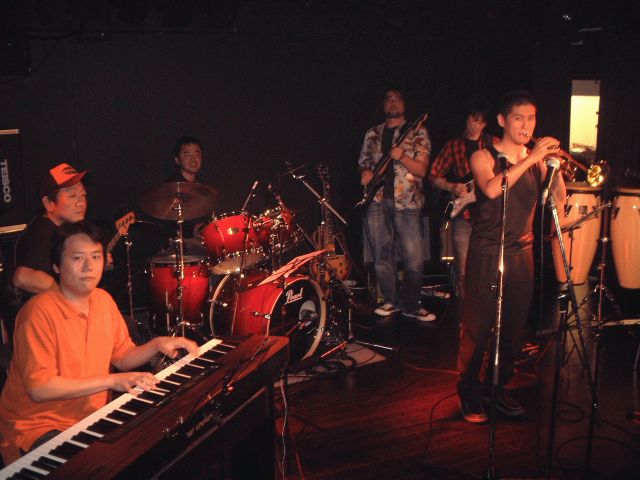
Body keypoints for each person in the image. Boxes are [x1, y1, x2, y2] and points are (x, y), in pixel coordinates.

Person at [0, 221, 198, 465]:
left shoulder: (103, 300)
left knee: (157, 447)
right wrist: (112, 381)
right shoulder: (37, 313)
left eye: (95, 257)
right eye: (77, 258)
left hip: (89, 418)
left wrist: (157, 344)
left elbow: (122, 356)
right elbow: (40, 389)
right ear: (56, 266)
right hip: (35, 428)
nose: (88, 266)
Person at [456, 91, 566, 423]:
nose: (526, 125)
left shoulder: (535, 161)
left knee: (514, 328)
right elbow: (491, 189)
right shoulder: (483, 156)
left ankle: (496, 386)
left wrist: (555, 167)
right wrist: (532, 159)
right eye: (519, 118)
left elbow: (559, 200)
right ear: (503, 121)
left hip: (523, 253)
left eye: (531, 118)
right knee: (479, 327)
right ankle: (468, 390)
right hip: (488, 252)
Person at [358, 88, 435, 322]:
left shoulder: (418, 131)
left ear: (404, 103)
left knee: (414, 259)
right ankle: (391, 301)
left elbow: (422, 170)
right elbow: (364, 162)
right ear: (384, 105)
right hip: (376, 201)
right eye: (388, 99)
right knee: (381, 257)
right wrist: (365, 172)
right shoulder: (372, 133)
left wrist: (402, 156)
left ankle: (412, 304)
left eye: (397, 99)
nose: (393, 103)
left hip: (407, 203)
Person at [0, 163, 90, 342]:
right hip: (37, 335)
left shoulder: (54, 230)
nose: (81, 202)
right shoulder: (43, 232)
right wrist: (71, 296)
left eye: (83, 195)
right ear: (49, 203)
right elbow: (22, 277)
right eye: (72, 195)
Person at [429, 100, 494, 301]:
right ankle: (464, 306)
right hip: (463, 214)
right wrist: (451, 186)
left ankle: (486, 304)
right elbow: (433, 176)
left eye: (481, 122)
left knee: (488, 265)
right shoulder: (453, 146)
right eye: (474, 120)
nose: (476, 125)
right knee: (463, 266)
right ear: (466, 119)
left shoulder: (493, 144)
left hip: (489, 216)